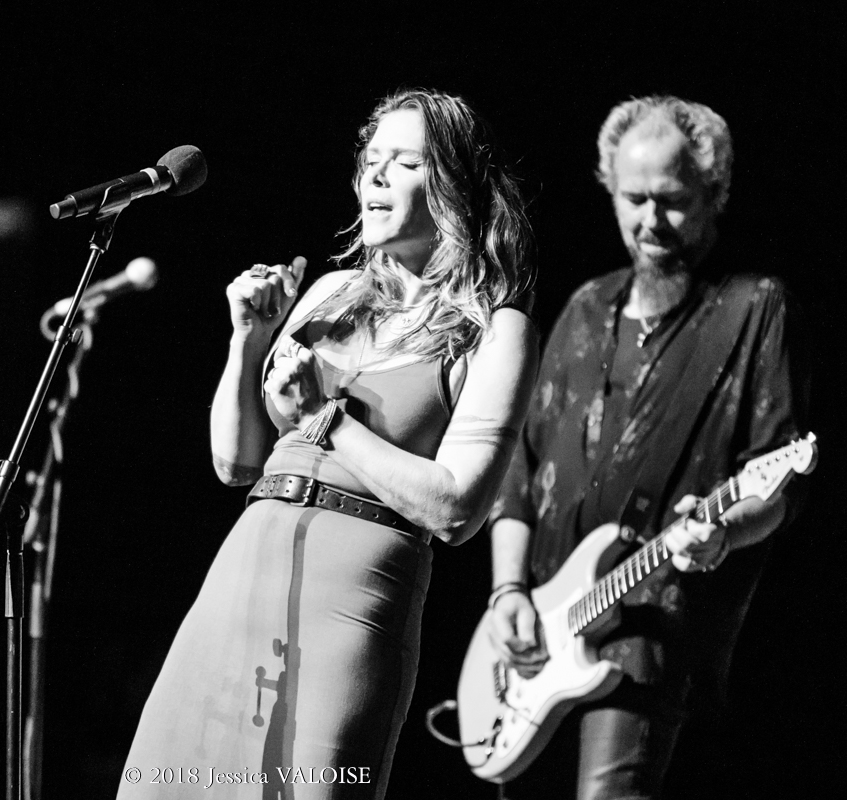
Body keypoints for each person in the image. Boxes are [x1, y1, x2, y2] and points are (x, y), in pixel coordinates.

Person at [118, 89, 537, 799]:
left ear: (454, 188)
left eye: (404, 162)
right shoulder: (329, 293)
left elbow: (456, 509)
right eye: (371, 159)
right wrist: (248, 342)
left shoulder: (493, 329)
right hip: (242, 580)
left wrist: (325, 419)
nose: (375, 175)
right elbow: (235, 463)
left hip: (352, 603)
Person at [486, 95, 808, 799]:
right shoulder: (585, 307)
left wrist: (724, 533)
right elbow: (518, 473)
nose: (650, 221)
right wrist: (507, 590)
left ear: (714, 195)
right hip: (540, 640)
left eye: (673, 200)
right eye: (634, 199)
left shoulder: (753, 306)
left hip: (649, 637)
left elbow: (776, 485)